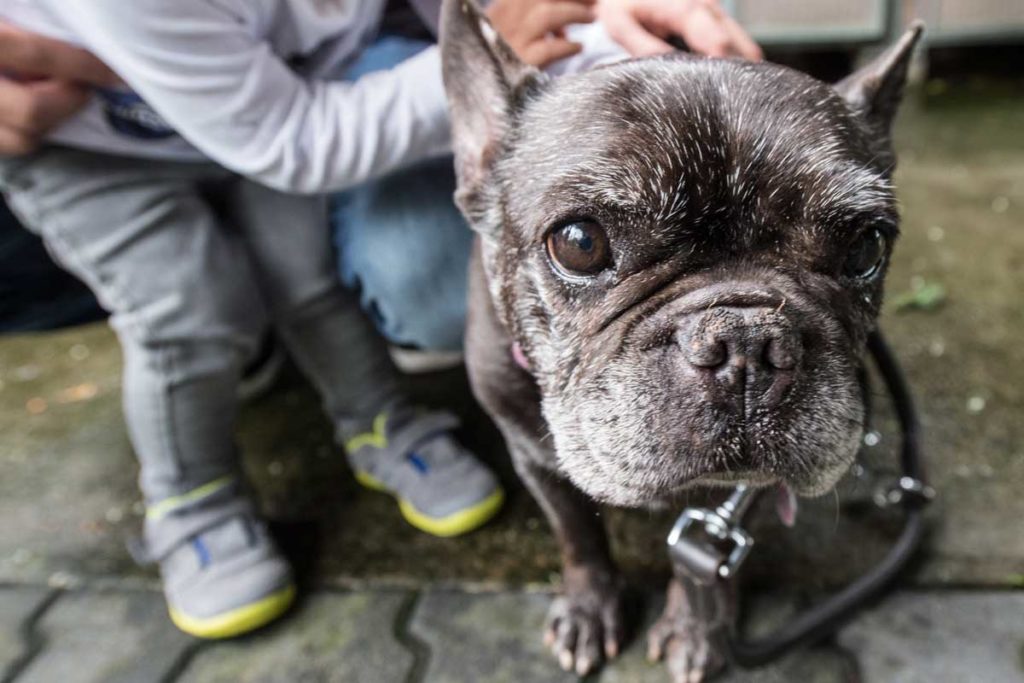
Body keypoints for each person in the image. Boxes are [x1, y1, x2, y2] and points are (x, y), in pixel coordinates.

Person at [0, 0, 759, 640]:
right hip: (91, 143)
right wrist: (492, 66)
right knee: (187, 307)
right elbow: (295, 142)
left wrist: (599, 16)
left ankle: (377, 421)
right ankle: (189, 498)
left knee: (306, 278)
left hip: (284, 88)